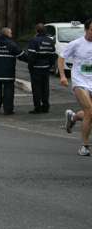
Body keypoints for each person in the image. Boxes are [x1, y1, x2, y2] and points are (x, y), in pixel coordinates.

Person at [60, 19, 92, 156]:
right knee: (90, 112)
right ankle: (84, 146)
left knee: (89, 114)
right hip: (80, 83)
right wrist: (62, 76)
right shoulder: (77, 44)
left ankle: (73, 117)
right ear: (86, 30)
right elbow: (61, 58)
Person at [0, 27, 28, 115]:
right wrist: (32, 60)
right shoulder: (12, 45)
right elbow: (22, 56)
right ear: (8, 34)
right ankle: (8, 110)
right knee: (9, 92)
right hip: (9, 74)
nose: (11, 35)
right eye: (11, 34)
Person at [27, 23, 56, 114]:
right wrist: (49, 65)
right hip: (46, 67)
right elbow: (53, 55)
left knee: (36, 88)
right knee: (45, 87)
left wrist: (30, 66)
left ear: (36, 31)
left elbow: (31, 55)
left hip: (36, 68)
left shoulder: (34, 41)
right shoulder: (50, 41)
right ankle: (46, 106)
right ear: (45, 31)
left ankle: (38, 107)